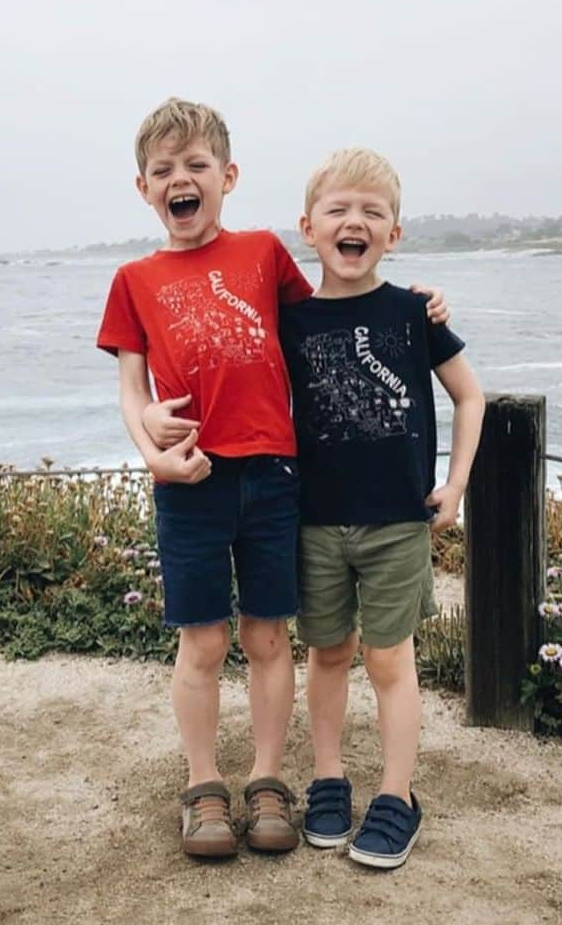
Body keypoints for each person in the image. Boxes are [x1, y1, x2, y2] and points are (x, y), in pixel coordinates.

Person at [97, 99, 448, 860]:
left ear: (227, 177)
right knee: (202, 641)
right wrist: (149, 444)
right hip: (189, 480)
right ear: (143, 187)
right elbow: (131, 387)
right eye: (164, 170)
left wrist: (423, 309)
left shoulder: (262, 253)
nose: (180, 180)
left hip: (276, 476)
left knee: (266, 636)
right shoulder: (133, 278)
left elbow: (338, 302)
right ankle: (202, 784)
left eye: (196, 166)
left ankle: (265, 780)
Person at [279, 147, 485, 870]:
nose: (354, 221)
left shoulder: (413, 312)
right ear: (309, 227)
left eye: (373, 211)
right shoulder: (291, 319)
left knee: (391, 658)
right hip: (315, 520)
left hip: (399, 519)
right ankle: (328, 777)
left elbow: (470, 394)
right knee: (328, 653)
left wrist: (455, 483)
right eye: (338, 209)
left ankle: (398, 794)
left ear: (394, 233)